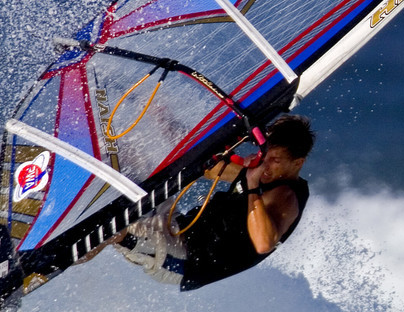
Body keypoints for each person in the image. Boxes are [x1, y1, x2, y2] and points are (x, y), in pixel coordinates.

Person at [118, 112, 314, 291]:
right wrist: (163, 118)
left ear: (298, 163)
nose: (266, 164)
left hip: (184, 258)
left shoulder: (287, 198)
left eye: (276, 160)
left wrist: (252, 183)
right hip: (178, 226)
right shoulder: (263, 172)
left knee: (116, 228)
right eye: (265, 154)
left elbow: (263, 244)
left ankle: (88, 238)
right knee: (135, 165)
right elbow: (210, 169)